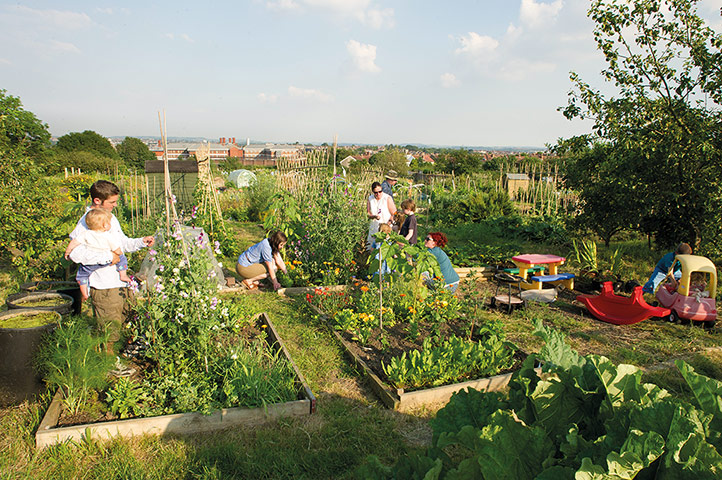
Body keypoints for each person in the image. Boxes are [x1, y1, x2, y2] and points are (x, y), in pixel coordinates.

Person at [68, 180, 155, 375]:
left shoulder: (109, 218)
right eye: (112, 202)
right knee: (109, 327)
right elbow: (76, 254)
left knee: (125, 319)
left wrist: (141, 242)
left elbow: (121, 243)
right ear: (97, 200)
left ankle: (123, 354)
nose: (115, 206)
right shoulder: (86, 222)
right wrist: (109, 257)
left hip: (119, 282)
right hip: (104, 285)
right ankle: (109, 365)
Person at [65, 208, 131, 301]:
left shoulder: (85, 234)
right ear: (105, 225)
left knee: (82, 275)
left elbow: (73, 243)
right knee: (122, 258)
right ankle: (123, 275)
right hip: (106, 261)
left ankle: (84, 293)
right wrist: (118, 254)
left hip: (90, 264)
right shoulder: (107, 236)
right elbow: (117, 249)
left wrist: (68, 252)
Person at [366, 181, 397, 250]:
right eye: (376, 193)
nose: (378, 194)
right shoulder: (370, 199)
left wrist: (389, 223)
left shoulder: (387, 198)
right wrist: (373, 216)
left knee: (384, 248)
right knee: (372, 247)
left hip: (385, 228)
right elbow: (368, 213)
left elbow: (394, 213)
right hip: (374, 226)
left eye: (380, 191)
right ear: (373, 192)